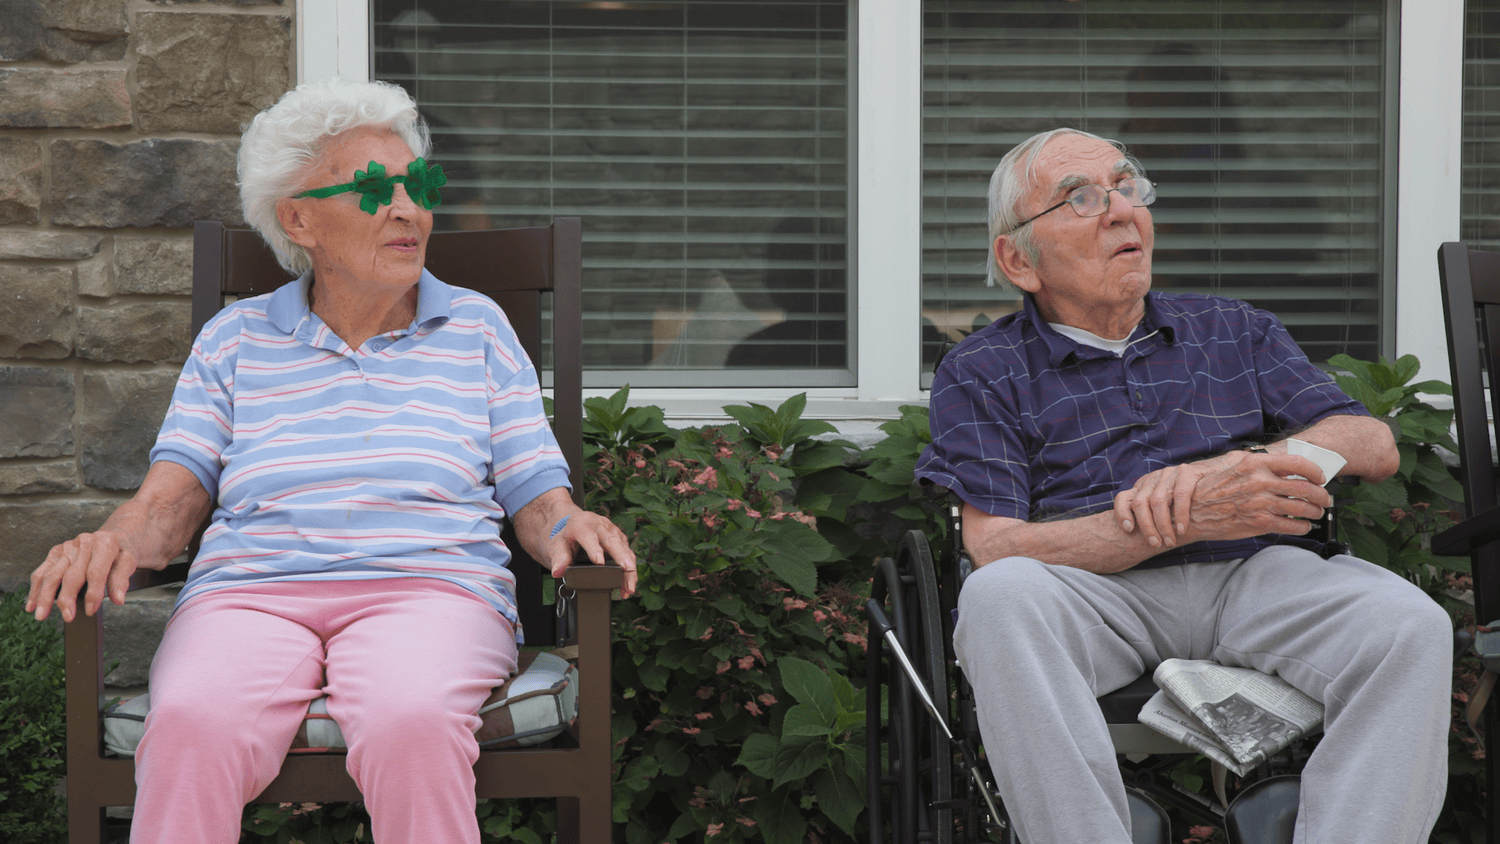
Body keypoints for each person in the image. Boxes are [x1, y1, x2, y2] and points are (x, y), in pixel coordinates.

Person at [25, 77, 637, 844]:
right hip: (252, 595)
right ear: (299, 219)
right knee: (190, 724)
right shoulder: (235, 340)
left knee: (410, 720)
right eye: (377, 189)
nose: (409, 208)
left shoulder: (476, 329)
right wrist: (111, 541)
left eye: (419, 184)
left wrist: (571, 524)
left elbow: (535, 491)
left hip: (431, 590)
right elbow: (168, 503)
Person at [914, 127, 1451, 844]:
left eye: (1126, 186)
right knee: (998, 596)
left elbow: (1371, 443)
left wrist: (1233, 471)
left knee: (1409, 626)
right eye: (1079, 198)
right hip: (1095, 595)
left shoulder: (1232, 329)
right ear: (1019, 259)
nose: (1119, 210)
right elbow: (996, 544)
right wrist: (1168, 520)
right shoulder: (982, 370)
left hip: (1254, 576)